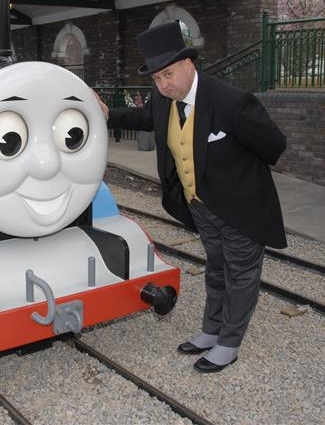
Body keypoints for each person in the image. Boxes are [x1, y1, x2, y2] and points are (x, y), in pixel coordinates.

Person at [95, 22, 287, 373]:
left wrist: (238, 172)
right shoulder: (163, 101)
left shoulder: (232, 101)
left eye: (168, 74)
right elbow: (143, 118)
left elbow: (274, 145)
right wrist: (108, 115)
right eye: (156, 78)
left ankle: (229, 342)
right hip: (200, 206)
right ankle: (212, 331)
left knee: (240, 274)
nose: (163, 84)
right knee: (216, 268)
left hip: (243, 208)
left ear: (188, 65)